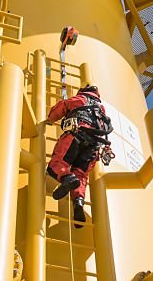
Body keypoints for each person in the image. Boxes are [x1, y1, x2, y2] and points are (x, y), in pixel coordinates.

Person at [46, 84, 113, 227]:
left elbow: (61, 108)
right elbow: (107, 131)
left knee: (56, 165)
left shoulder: (80, 99)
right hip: (94, 146)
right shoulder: (101, 112)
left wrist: (50, 119)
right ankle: (79, 202)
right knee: (81, 174)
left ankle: (67, 178)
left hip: (76, 135)